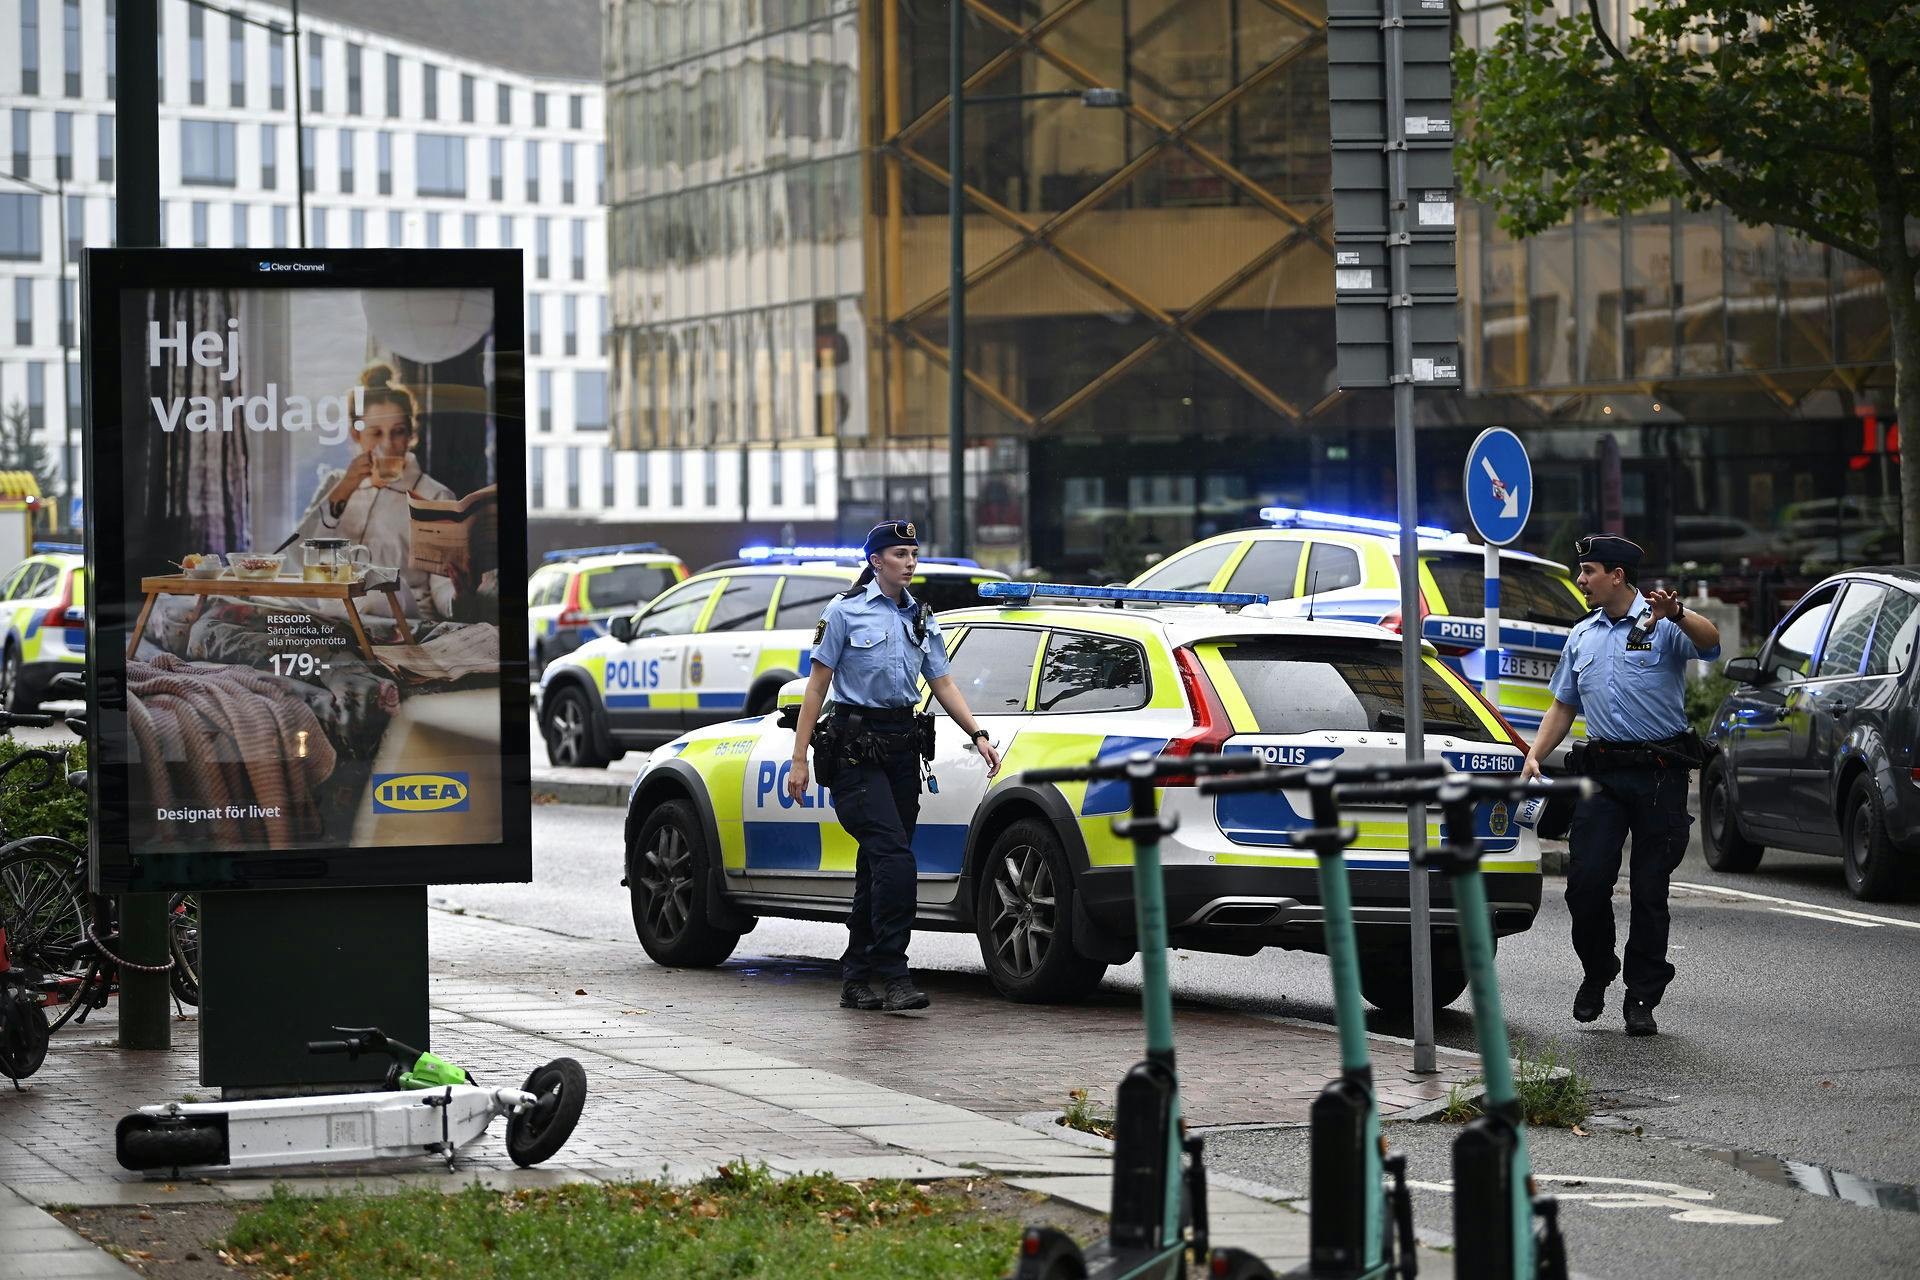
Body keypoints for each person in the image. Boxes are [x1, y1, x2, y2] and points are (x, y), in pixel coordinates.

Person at [786, 521, 1003, 1013]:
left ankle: (856, 974)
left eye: (914, 553)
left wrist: (978, 734)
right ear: (875, 560)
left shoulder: (922, 617)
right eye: (900, 553)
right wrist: (799, 759)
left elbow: (942, 682)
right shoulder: (844, 613)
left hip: (902, 749)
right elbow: (816, 689)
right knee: (895, 860)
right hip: (854, 753)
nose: (910, 561)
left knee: (878, 864)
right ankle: (893, 969)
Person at [1521, 534, 1720, 1037]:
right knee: (1585, 886)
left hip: (1659, 775)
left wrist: (1678, 615)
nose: (1581, 580)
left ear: (1617, 576)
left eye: (1588, 572)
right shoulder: (1582, 634)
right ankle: (1598, 969)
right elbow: (1563, 705)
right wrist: (1534, 755)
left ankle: (1642, 995)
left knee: (1650, 891)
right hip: (1602, 776)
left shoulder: (1661, 625)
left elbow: (1711, 642)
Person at [289, 363, 457, 620]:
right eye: (376, 433)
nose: (388, 445)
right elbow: (297, 557)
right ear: (357, 435)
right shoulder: (338, 484)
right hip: (337, 618)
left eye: (398, 432)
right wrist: (345, 488)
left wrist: (462, 596)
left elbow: (443, 589)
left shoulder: (434, 496)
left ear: (411, 435)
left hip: (401, 620)